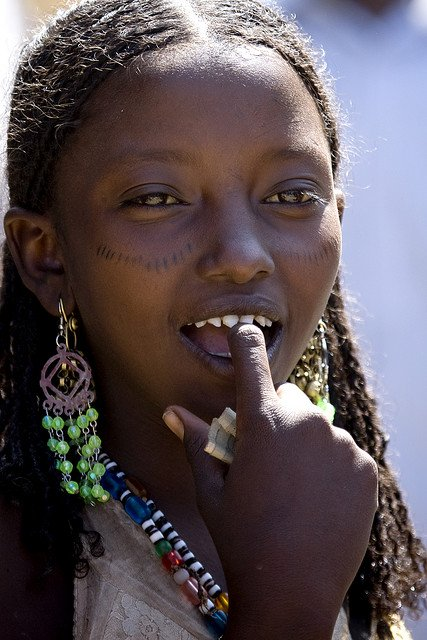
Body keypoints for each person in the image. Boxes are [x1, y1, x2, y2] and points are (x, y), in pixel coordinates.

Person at [0, 1, 425, 639]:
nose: (242, 257)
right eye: (157, 199)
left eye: (291, 196)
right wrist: (284, 608)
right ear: (47, 254)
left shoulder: (334, 498)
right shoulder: (24, 562)